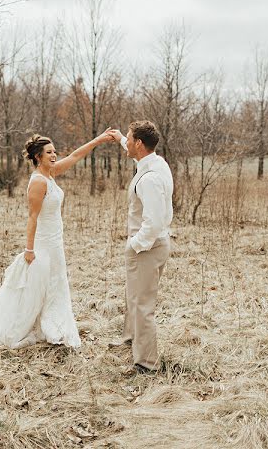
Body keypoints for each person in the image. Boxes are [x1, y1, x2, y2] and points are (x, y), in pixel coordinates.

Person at [0, 130, 115, 349]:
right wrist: (29, 249)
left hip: (55, 240)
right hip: (43, 243)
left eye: (54, 152)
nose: (54, 155)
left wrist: (98, 140)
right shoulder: (38, 182)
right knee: (39, 286)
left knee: (55, 285)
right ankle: (34, 326)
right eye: (49, 152)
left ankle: (52, 324)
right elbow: (32, 217)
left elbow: (74, 157)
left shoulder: (51, 173)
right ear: (38, 156)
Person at [107, 121, 174, 374]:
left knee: (143, 305)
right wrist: (118, 139)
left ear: (139, 144)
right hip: (149, 246)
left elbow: (154, 222)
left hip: (147, 247)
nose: (127, 141)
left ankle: (147, 363)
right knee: (133, 297)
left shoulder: (149, 179)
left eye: (129, 138)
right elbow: (135, 151)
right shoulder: (155, 162)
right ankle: (130, 339)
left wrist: (134, 245)